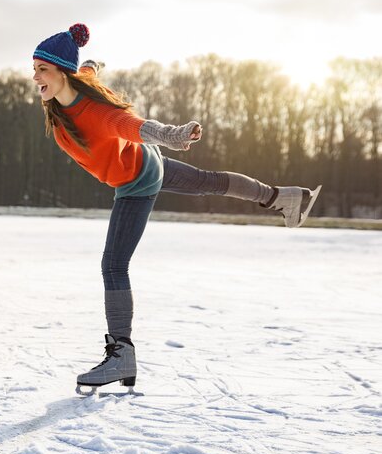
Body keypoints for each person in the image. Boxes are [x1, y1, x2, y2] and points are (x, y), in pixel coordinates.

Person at [32, 24, 321, 395]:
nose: (36, 78)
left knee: (113, 265)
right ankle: (284, 197)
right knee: (207, 182)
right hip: (145, 163)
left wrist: (171, 135)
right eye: (34, 70)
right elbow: (87, 71)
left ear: (61, 72)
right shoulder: (69, 95)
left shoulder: (96, 112)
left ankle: (121, 354)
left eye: (42, 69)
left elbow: (133, 126)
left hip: (136, 177)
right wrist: (91, 62)